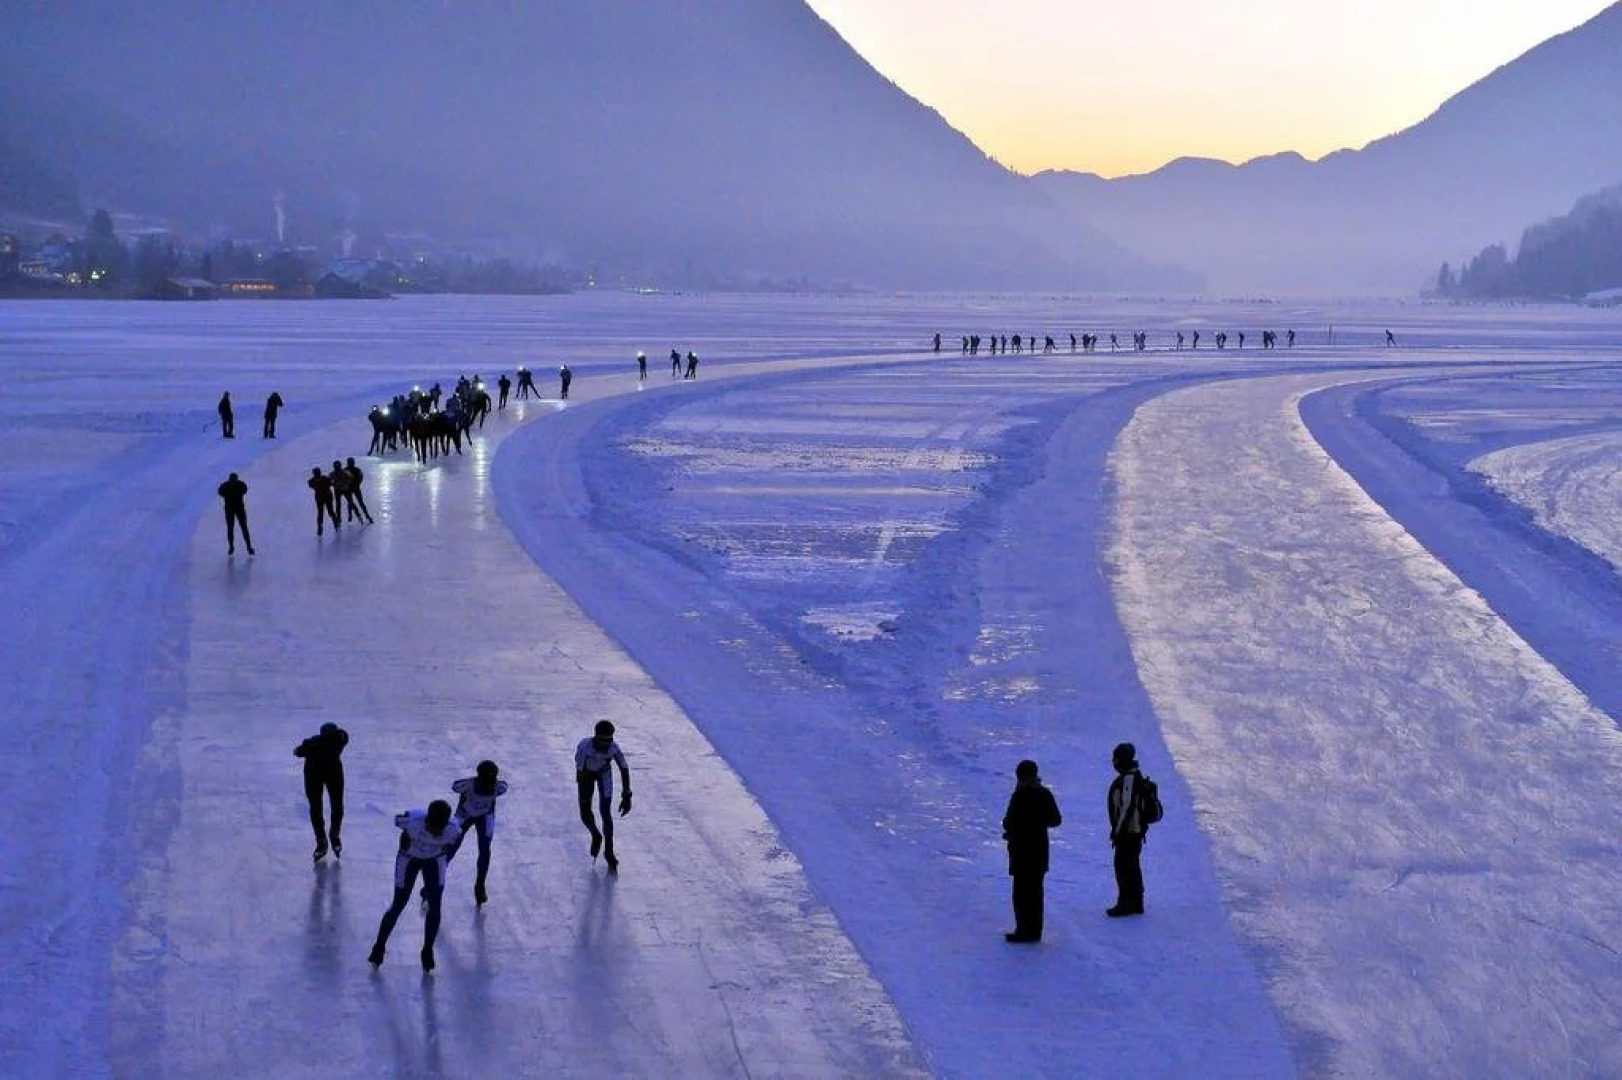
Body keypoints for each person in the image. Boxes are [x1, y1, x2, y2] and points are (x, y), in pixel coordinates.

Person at [369, 800, 462, 971]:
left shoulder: (453, 830)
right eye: (431, 827)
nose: (433, 832)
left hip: (433, 860)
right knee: (398, 903)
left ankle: (427, 949)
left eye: (437, 829)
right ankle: (379, 945)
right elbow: (399, 824)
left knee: (435, 905)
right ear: (426, 819)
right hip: (409, 858)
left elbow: (451, 848)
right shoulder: (412, 821)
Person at [1002, 759, 1062, 943]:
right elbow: (1055, 819)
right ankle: (1034, 931)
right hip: (1038, 851)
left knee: (1021, 893)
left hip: (1021, 851)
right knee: (1035, 892)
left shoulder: (1020, 794)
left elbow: (1008, 821)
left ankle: (1024, 930)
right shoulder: (1043, 793)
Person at [448, 761, 509, 905]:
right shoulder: (498, 787)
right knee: (452, 848)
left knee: (484, 850)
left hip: (478, 816)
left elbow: (455, 786)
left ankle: (480, 884)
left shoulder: (467, 785)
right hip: (467, 816)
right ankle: (479, 885)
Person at [575, 720, 631, 872]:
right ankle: (595, 834)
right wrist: (626, 794)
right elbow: (580, 773)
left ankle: (609, 850)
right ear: (595, 737)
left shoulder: (613, 749)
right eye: (602, 741)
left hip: (603, 773)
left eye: (609, 741)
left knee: (606, 813)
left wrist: (627, 794)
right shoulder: (584, 747)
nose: (606, 746)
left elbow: (624, 769)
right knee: (585, 812)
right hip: (586, 774)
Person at [1107, 742, 1149, 917]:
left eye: (1115, 758)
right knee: (1131, 865)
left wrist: (1118, 831)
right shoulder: (1132, 776)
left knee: (1123, 867)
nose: (1113, 762)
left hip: (1129, 832)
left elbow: (1127, 807)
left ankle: (1126, 903)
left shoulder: (1129, 779)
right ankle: (1136, 902)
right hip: (1133, 831)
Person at [295, 722, 348, 860]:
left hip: (318, 774)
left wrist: (311, 742)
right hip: (326, 774)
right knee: (334, 805)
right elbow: (344, 735)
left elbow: (298, 751)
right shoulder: (339, 740)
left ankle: (323, 839)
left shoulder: (314, 744)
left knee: (317, 808)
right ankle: (332, 835)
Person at [216, 471, 255, 556]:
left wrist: (227, 496)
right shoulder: (240, 484)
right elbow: (245, 490)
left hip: (229, 508)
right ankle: (249, 547)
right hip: (239, 508)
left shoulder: (225, 485)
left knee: (230, 528)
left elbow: (220, 492)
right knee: (244, 528)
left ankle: (231, 547)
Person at [307, 466, 340, 536]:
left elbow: (311, 485)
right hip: (327, 497)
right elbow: (333, 483)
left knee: (320, 513)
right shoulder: (325, 478)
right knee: (330, 511)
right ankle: (336, 523)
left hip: (320, 498)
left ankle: (320, 526)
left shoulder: (312, 481)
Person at [344, 457, 375, 524]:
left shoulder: (345, 470)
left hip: (350, 488)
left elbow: (360, 478)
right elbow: (361, 478)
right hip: (355, 488)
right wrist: (357, 484)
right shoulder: (357, 470)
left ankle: (350, 516)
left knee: (351, 502)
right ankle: (367, 516)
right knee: (359, 503)